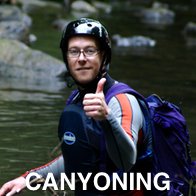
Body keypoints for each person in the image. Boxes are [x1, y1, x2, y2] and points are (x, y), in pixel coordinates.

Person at [0, 18, 152, 196]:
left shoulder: (123, 101)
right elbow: (79, 160)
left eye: (89, 51)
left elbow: (126, 161)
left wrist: (107, 118)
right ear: (66, 58)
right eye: (73, 52)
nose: (81, 58)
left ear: (103, 56)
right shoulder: (76, 100)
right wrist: (28, 179)